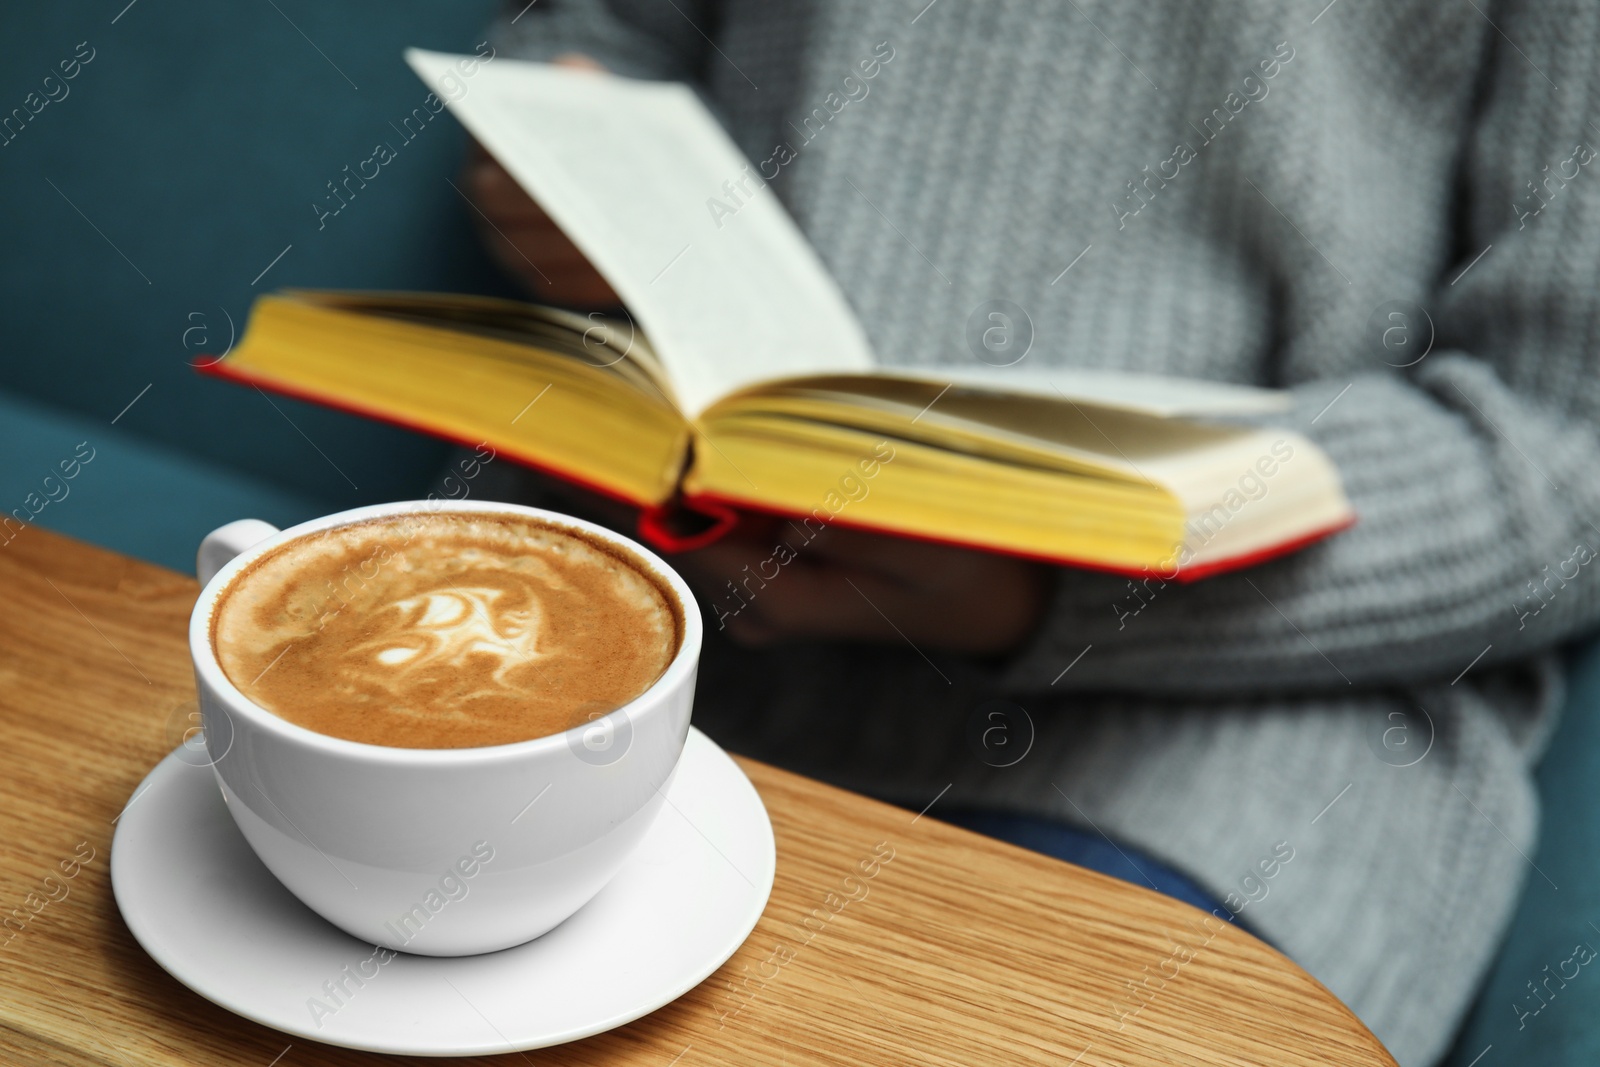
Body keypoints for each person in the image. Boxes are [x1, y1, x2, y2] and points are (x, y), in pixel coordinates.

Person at [463, 3, 1600, 1063]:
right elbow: (602, 31)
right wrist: (570, 137)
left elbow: (1567, 447)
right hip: (636, 620)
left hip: (1218, 747)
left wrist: (1049, 588)